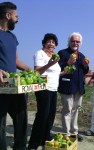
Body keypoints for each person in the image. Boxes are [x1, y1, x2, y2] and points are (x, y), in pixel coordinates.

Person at [0, 2, 31, 150]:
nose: (17, 19)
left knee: (21, 118)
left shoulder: (12, 37)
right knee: (0, 123)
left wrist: (30, 70)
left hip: (14, 85)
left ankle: (20, 147)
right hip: (1, 86)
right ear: (8, 16)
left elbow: (16, 60)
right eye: (16, 16)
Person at [28, 33, 67, 150]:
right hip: (43, 88)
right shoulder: (40, 54)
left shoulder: (55, 56)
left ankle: (45, 137)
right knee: (42, 115)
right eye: (49, 41)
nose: (51, 44)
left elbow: (55, 73)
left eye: (53, 42)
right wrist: (50, 63)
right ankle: (33, 144)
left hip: (53, 89)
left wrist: (65, 72)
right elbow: (37, 71)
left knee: (51, 115)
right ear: (44, 43)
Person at [58, 32, 89, 141]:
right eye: (73, 41)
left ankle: (74, 133)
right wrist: (68, 62)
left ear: (80, 43)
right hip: (67, 86)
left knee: (75, 110)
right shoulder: (62, 53)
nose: (75, 43)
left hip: (79, 87)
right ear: (69, 42)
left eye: (77, 41)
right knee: (67, 110)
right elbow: (58, 68)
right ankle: (66, 134)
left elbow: (84, 71)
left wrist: (86, 66)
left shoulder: (81, 55)